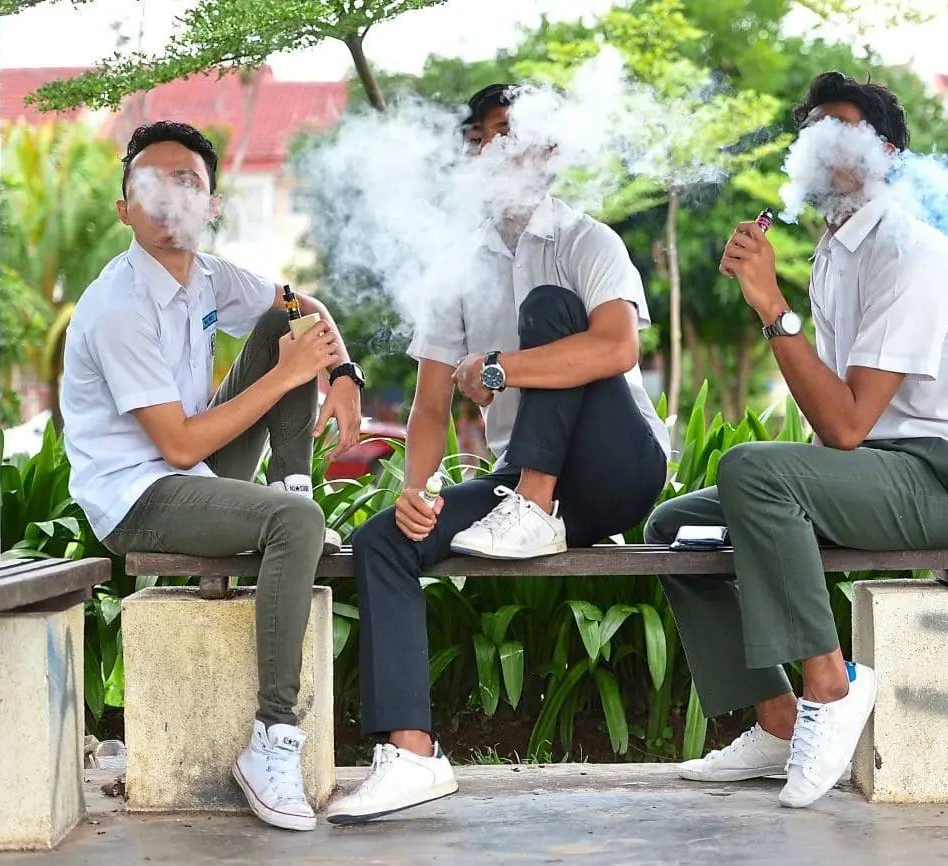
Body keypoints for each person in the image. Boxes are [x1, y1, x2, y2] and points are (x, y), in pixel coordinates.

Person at [645, 71, 948, 809]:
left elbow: (844, 424)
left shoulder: (908, 254)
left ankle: (833, 685)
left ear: (886, 153)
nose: (822, 146)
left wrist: (770, 304)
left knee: (751, 468)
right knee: (676, 526)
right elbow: (847, 432)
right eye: (812, 131)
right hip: (886, 472)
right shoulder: (835, 252)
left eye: (842, 132)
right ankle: (781, 723)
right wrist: (780, 303)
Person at [327, 83, 671, 824]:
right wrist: (416, 494)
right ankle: (412, 753)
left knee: (550, 309)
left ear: (549, 149)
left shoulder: (588, 241)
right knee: (382, 540)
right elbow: (427, 408)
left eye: (510, 133)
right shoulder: (455, 266)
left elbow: (616, 346)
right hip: (516, 488)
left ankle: (538, 507)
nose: (495, 149)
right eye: (480, 139)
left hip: (617, 467)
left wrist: (502, 367)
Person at [61, 121, 365, 832]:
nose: (172, 196)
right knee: (295, 524)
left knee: (280, 321)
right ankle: (272, 741)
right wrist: (295, 372)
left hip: (195, 466)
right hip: (136, 495)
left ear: (213, 204)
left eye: (189, 181)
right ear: (125, 207)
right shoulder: (117, 307)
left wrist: (341, 370)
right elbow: (173, 446)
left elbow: (299, 305)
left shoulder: (207, 276)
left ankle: (291, 487)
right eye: (153, 182)